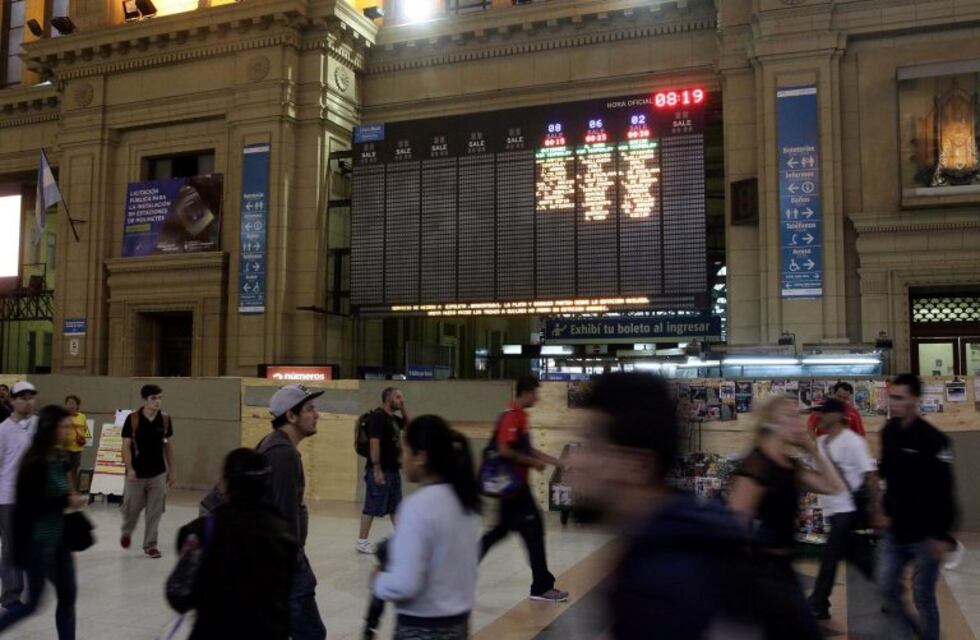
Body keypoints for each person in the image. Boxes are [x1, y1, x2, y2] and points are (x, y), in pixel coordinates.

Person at [569, 373, 771, 639]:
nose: (575, 461)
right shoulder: (663, 541)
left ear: (637, 465)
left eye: (592, 445)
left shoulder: (666, 581)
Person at [727, 394, 845, 640]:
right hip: (762, 573)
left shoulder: (790, 466)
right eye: (790, 417)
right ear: (772, 423)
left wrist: (812, 447)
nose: (798, 423)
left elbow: (834, 486)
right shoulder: (757, 465)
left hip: (783, 568)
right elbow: (735, 526)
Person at [168, 448, 297, 640]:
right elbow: (285, 591)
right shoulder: (283, 531)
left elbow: (179, 593)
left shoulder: (204, 530)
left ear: (227, 482)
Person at [372, 415, 481, 640]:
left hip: (420, 629)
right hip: (459, 625)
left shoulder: (417, 507)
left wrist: (379, 581)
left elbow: (405, 584)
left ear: (420, 457)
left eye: (405, 451)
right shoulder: (466, 502)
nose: (401, 460)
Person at [878, 373, 958, 640]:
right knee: (886, 587)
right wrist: (880, 508)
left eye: (900, 398)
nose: (894, 403)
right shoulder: (888, 432)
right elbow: (885, 474)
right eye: (892, 397)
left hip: (926, 534)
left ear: (914, 399)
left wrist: (942, 535)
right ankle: (914, 631)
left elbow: (945, 490)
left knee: (923, 595)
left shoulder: (934, 440)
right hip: (895, 529)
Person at [481, 376, 568, 603]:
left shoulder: (521, 416)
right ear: (526, 392)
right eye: (535, 393)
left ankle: (459, 570)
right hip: (514, 492)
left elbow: (529, 450)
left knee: (500, 533)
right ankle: (541, 587)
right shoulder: (511, 416)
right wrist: (532, 463)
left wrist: (556, 462)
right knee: (534, 532)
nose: (537, 398)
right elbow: (504, 450)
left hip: (515, 490)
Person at [0, 404, 85, 639]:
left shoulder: (59, 456)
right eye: (64, 426)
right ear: (50, 428)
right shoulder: (35, 463)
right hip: (39, 544)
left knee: (68, 598)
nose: (69, 431)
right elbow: (30, 507)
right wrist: (67, 500)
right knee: (32, 604)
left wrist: (70, 498)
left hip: (59, 543)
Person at [259, 384, 328, 640]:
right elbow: (282, 520)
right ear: (291, 416)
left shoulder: (274, 446)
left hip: (277, 567)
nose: (317, 414)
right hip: (284, 569)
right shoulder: (283, 455)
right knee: (311, 634)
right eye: (310, 409)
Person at [807, 399, 883, 620]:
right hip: (832, 508)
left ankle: (819, 602)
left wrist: (876, 509)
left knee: (830, 556)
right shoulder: (820, 443)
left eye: (824, 412)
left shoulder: (853, 442)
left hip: (848, 508)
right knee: (859, 557)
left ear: (838, 416)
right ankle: (890, 591)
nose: (819, 416)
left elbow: (870, 475)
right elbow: (818, 475)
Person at [121, 384, 175, 559]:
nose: (157, 401)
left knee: (155, 510)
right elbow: (126, 446)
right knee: (132, 509)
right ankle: (127, 531)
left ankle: (150, 545)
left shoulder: (165, 420)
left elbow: (168, 446)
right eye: (153, 398)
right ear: (145, 400)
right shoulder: (133, 419)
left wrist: (172, 471)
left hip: (157, 473)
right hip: (136, 473)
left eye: (160, 398)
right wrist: (129, 468)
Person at [0, 381, 38, 609]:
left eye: (31, 397)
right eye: (22, 398)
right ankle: (11, 594)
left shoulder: (37, 425)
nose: (27, 402)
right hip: (8, 497)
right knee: (11, 546)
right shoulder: (3, 430)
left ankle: (22, 585)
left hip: (31, 498)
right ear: (12, 401)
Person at [358, 387, 409, 555]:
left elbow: (409, 425)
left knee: (395, 506)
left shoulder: (392, 418)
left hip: (393, 470)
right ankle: (362, 541)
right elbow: (374, 443)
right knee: (371, 505)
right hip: (380, 469)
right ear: (388, 399)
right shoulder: (378, 417)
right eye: (398, 397)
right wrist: (376, 467)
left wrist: (403, 408)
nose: (401, 399)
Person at [63, 396, 89, 492]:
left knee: (75, 469)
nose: (71, 405)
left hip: (78, 448)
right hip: (65, 447)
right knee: (66, 469)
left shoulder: (82, 416)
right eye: (69, 403)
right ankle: (66, 489)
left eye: (73, 403)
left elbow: (86, 430)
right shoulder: (63, 416)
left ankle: (74, 489)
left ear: (77, 405)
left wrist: (83, 438)